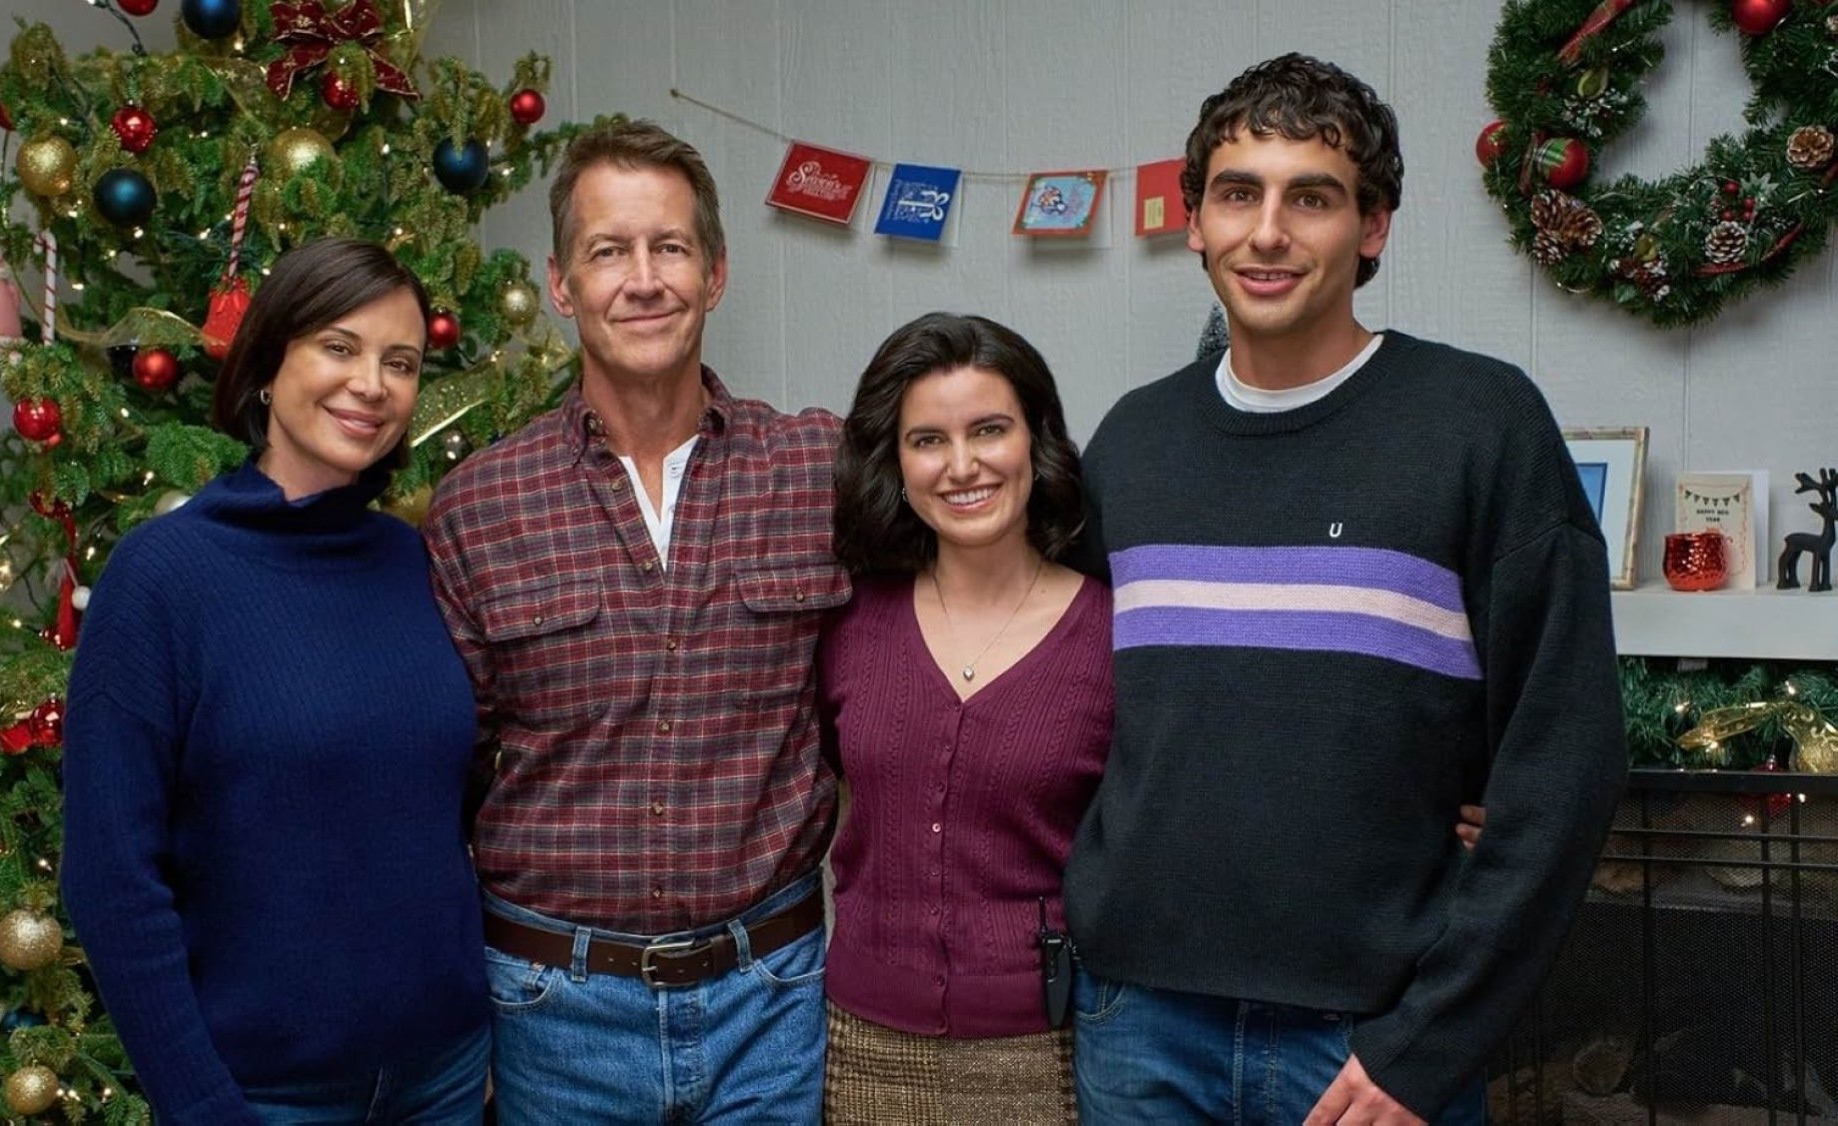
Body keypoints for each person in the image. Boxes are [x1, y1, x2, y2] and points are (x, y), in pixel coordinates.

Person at [1063, 54, 1627, 1125]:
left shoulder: (1478, 425)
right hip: (1137, 1025)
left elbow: (1565, 762)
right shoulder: (1131, 441)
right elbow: (1066, 698)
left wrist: (1428, 1043)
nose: (1265, 232)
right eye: (1237, 194)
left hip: (1367, 1044)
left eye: (1309, 198)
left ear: (1371, 228)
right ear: (1194, 223)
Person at [423, 120, 846, 1122]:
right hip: (550, 1007)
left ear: (715, 273)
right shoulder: (480, 503)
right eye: (608, 251)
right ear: (562, 284)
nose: (642, 278)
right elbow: (440, 778)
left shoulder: (816, 470)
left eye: (669, 247)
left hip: (770, 1003)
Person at [62, 238, 487, 1125]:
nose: (371, 383)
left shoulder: (414, 562)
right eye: (339, 346)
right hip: (266, 1096)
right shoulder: (162, 579)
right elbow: (110, 879)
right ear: (267, 365)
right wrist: (201, 1105)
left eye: (399, 362)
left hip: (446, 1075)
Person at [817, 312, 1110, 1124]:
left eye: (989, 430)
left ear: (1036, 439)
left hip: (1049, 1054)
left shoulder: (1112, 635)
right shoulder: (848, 623)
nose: (962, 466)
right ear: (896, 460)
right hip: (863, 1048)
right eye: (928, 441)